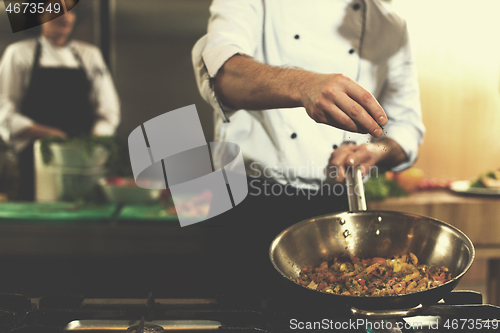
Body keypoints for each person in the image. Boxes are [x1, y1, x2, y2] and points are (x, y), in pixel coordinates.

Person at [191, 0, 425, 297]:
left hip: (337, 214)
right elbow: (222, 74)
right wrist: (303, 84)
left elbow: (408, 127)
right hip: (246, 206)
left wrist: (375, 151)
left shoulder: (391, 23)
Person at [0, 0, 120, 200]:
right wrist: (50, 135)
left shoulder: (90, 55)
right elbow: (3, 110)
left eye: (71, 11)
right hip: (36, 160)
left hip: (84, 161)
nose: (66, 16)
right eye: (56, 10)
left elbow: (109, 111)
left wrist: (91, 145)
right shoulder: (19, 53)